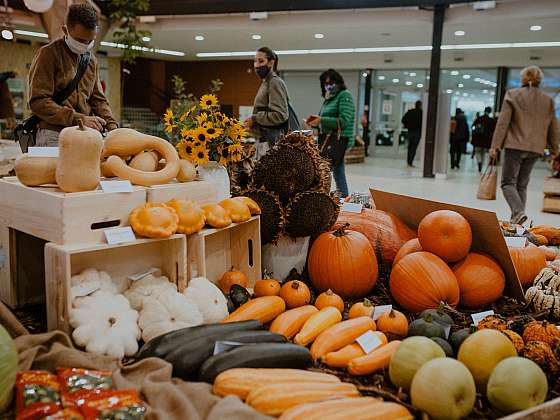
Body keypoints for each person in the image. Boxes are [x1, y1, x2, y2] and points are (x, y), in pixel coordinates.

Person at [28, 3, 117, 146]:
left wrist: (113, 127)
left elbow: (98, 100)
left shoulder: (91, 60)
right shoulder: (49, 54)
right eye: (81, 40)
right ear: (65, 30)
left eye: (90, 40)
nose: (86, 45)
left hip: (85, 134)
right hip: (54, 134)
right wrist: (78, 118)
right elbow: (38, 102)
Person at [490, 66, 559, 224]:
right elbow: (553, 127)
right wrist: (555, 149)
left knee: (507, 182)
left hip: (515, 146)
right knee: (521, 185)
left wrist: (495, 145)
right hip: (536, 148)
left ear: (523, 78)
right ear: (539, 80)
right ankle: (518, 221)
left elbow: (503, 123)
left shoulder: (513, 95)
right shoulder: (547, 100)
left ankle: (518, 212)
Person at [307, 69, 355, 198]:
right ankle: (344, 200)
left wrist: (321, 120)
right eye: (325, 83)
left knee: (324, 172)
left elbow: (344, 120)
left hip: (338, 141)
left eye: (331, 82)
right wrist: (316, 122)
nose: (328, 85)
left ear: (338, 82)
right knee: (338, 172)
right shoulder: (329, 98)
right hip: (329, 140)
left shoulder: (345, 95)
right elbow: (326, 119)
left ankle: (325, 199)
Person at [244, 47, 289, 159]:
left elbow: (280, 115)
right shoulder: (266, 83)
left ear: (271, 63)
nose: (256, 65)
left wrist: (254, 118)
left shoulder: (274, 82)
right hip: (266, 142)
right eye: (255, 61)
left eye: (261, 61)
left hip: (273, 144)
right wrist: (253, 126)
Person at [471, 106, 496, 172]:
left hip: (478, 139)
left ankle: (479, 162)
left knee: (477, 152)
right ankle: (481, 164)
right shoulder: (491, 121)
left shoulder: (479, 119)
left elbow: (473, 127)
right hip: (486, 141)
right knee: (483, 153)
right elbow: (494, 130)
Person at [401, 100, 423, 167]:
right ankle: (410, 161)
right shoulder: (421, 113)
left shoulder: (410, 112)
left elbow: (403, 120)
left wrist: (407, 126)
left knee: (410, 147)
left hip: (410, 131)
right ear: (420, 105)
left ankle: (408, 161)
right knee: (414, 147)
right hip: (417, 132)